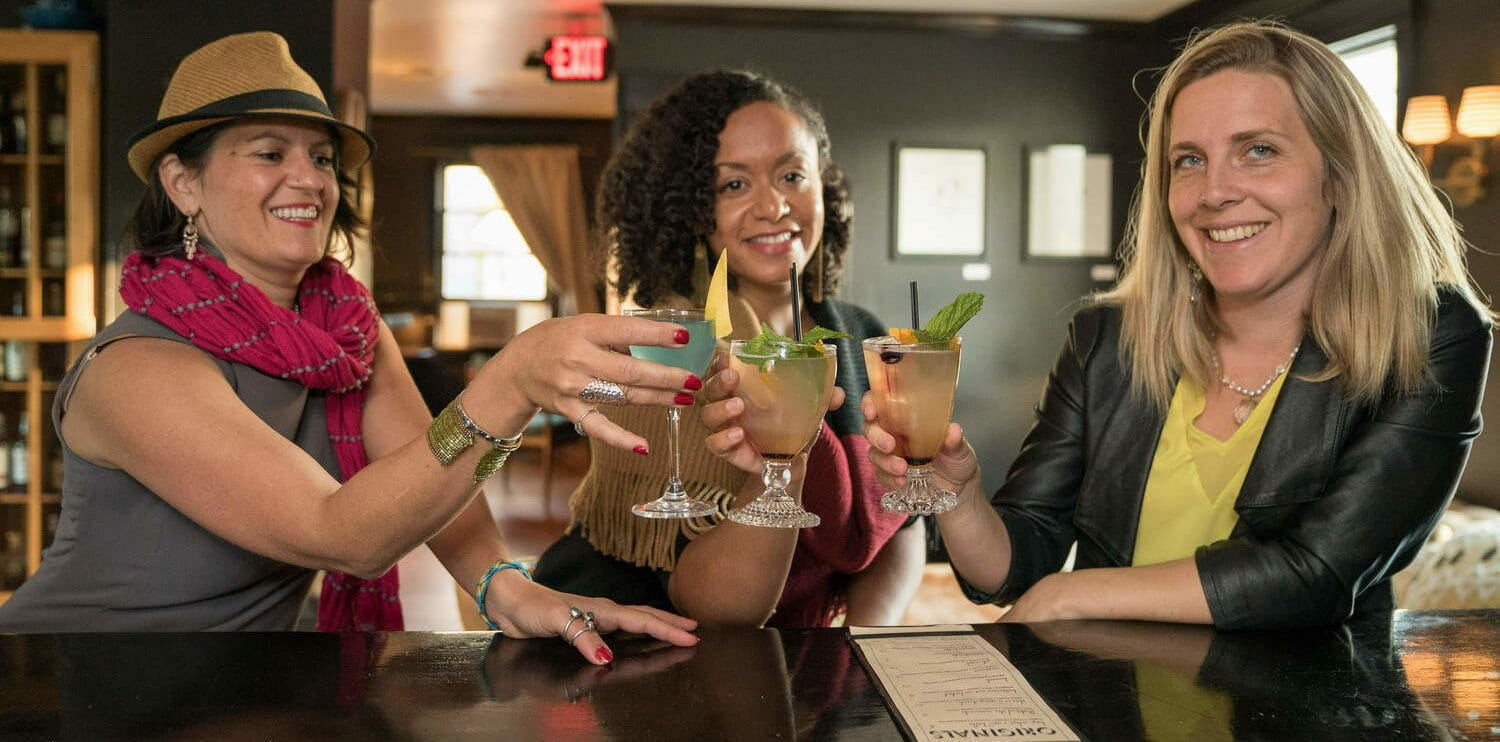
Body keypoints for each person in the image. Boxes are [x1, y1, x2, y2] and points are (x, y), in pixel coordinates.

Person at [734, 20, 1490, 630]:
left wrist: (1080, 594)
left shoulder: (1432, 337)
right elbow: (1014, 567)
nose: (1216, 192)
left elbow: (1317, 574)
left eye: (1258, 151)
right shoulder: (1108, 339)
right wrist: (959, 497)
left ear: (1341, 174)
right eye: (1187, 160)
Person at [0, 32, 700, 663]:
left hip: (237, 682)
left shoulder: (345, 327)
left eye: (322, 157)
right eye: (270, 152)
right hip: (71, 681)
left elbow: (432, 481)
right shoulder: (135, 369)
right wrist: (512, 380)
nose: (310, 179)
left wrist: (503, 583)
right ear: (184, 184)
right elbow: (343, 535)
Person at [533, 70, 925, 628]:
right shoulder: (668, 348)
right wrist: (787, 466)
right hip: (637, 662)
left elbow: (907, 518)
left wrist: (869, 642)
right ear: (690, 208)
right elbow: (716, 608)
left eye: (792, 175)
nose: (773, 206)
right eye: (733, 185)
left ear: (824, 187)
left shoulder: (861, 333)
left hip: (799, 671)